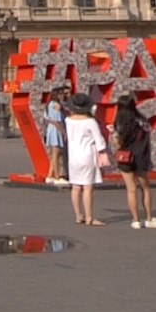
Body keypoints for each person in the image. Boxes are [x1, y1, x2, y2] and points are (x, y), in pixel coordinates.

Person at [111, 95, 156, 229]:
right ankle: (149, 218)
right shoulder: (142, 121)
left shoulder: (119, 123)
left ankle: (136, 221)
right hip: (141, 157)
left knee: (131, 189)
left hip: (125, 158)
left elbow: (118, 144)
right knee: (145, 188)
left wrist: (113, 134)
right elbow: (147, 139)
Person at [64, 93, 108, 225]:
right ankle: (89, 217)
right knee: (88, 187)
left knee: (76, 187)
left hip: (73, 156)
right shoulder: (90, 122)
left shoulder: (68, 120)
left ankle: (79, 215)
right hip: (87, 155)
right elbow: (99, 140)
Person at [43, 88, 68, 184]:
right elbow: (57, 121)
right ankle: (57, 177)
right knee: (56, 154)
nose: (62, 96)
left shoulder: (50, 104)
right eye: (60, 94)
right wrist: (64, 132)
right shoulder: (57, 105)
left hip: (51, 129)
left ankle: (50, 175)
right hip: (56, 130)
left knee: (54, 154)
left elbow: (48, 118)